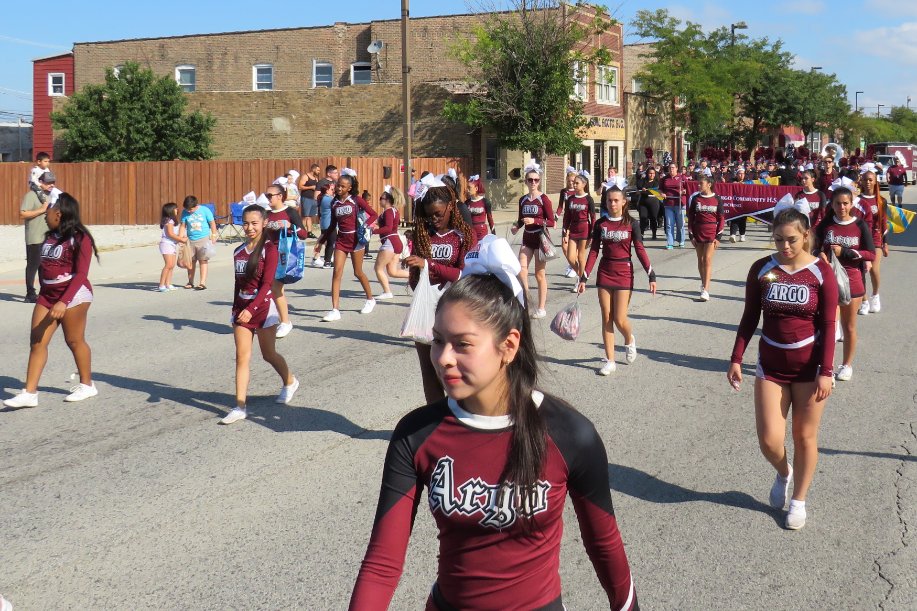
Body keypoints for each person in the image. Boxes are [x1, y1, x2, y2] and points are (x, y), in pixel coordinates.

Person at [350, 237, 638, 610]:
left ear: (509, 345)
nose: (443, 359)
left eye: (463, 344)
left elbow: (604, 545)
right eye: (438, 341)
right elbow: (382, 564)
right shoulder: (416, 435)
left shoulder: (570, 434)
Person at [728, 207, 838, 530]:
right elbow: (750, 317)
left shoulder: (821, 272)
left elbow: (829, 325)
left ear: (806, 236)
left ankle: (799, 500)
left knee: (805, 436)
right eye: (778, 240)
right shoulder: (762, 270)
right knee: (769, 440)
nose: (785, 247)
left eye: (791, 240)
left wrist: (827, 370)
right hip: (771, 367)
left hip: (810, 369)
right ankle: (784, 472)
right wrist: (736, 357)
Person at [4, 193, 100, 408]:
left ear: (59, 213)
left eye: (49, 209)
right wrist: (46, 295)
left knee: (74, 340)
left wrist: (63, 301)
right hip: (48, 295)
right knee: (37, 341)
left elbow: (81, 275)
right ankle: (29, 393)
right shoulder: (50, 235)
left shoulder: (80, 237)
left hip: (74, 295)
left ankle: (87, 384)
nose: (45, 212)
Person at [221, 205, 299, 425]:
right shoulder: (238, 252)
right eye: (245, 223)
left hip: (263, 309)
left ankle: (290, 381)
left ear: (264, 223)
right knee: (241, 358)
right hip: (242, 310)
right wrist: (236, 309)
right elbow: (238, 284)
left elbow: (267, 285)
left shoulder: (269, 249)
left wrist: (251, 309)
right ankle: (240, 406)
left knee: (268, 354)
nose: (249, 227)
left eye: (254, 223)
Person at [403, 174, 477, 404]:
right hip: (428, 311)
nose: (434, 219)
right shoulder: (422, 236)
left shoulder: (464, 236)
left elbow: (465, 275)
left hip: (457, 312)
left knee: (458, 371)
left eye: (438, 213)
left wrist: (429, 266)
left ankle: (463, 420)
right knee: (430, 372)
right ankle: (436, 423)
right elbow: (415, 281)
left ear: (451, 207)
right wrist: (417, 272)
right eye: (429, 215)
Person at [577, 187, 656, 376]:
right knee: (606, 317)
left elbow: (639, 249)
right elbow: (594, 250)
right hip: (605, 272)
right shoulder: (601, 224)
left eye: (616, 200)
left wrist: (651, 274)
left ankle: (629, 339)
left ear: (623, 202)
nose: (612, 204)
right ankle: (610, 360)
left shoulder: (631, 224)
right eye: (609, 200)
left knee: (619, 319)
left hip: (624, 273)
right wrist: (584, 276)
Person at [813, 186, 875, 382]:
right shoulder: (826, 224)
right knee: (829, 325)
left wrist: (845, 252)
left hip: (853, 282)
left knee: (849, 326)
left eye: (845, 203)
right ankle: (826, 367)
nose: (842, 207)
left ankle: (847, 365)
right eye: (838, 203)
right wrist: (820, 254)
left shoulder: (860, 225)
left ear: (852, 204)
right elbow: (813, 245)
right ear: (832, 204)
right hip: (829, 280)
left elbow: (870, 253)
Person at [313, 173, 378, 322]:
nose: (339, 188)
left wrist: (366, 226)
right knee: (337, 272)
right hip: (341, 240)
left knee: (358, 272)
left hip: (356, 240)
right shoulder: (334, 203)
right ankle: (335, 309)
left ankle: (370, 299)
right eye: (338, 185)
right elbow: (332, 225)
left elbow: (373, 215)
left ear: (350, 187)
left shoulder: (356, 200)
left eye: (343, 186)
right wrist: (321, 241)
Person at [510, 161, 554, 318]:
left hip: (540, 240)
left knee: (539, 274)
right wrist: (517, 226)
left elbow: (551, 222)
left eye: (536, 180)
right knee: (521, 271)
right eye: (530, 180)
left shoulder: (544, 199)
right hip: (527, 238)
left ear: (539, 181)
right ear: (526, 181)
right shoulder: (523, 200)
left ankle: (541, 307)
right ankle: (527, 301)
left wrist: (534, 221)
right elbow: (521, 219)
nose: (533, 183)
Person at [264, 184, 308, 338]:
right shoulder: (266, 213)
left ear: (280, 196)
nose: (267, 198)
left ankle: (285, 322)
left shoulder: (290, 212)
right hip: (267, 254)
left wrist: (290, 226)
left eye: (270, 195)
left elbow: (304, 234)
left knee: (276, 288)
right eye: (266, 195)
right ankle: (274, 318)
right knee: (269, 289)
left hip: (283, 254)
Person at [687, 174, 725, 301]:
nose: (698, 186)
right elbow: (691, 217)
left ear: (709, 185)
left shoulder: (717, 199)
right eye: (698, 183)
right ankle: (703, 283)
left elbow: (721, 219)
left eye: (701, 184)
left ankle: (706, 290)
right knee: (701, 259)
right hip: (698, 231)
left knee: (707, 259)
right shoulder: (695, 199)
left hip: (711, 232)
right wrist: (690, 234)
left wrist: (718, 236)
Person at [855, 171, 888, 315]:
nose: (867, 182)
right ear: (861, 181)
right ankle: (864, 301)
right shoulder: (856, 200)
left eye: (870, 180)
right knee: (860, 270)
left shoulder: (881, 200)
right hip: (859, 238)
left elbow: (883, 223)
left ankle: (875, 295)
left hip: (875, 239)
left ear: (875, 182)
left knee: (874, 269)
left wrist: (885, 242)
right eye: (865, 180)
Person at [20, 171, 55, 303]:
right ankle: (30, 294)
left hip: (47, 236)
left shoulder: (48, 196)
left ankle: (43, 292)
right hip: (34, 237)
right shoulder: (31, 195)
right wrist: (41, 210)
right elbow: (22, 214)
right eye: (48, 182)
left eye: (53, 182)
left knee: (44, 266)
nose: (51, 185)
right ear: (40, 182)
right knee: (33, 265)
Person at [561, 171, 595, 292]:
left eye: (577, 183)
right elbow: (567, 217)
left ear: (584, 184)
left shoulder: (588, 199)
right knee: (570, 257)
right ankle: (582, 275)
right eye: (574, 183)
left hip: (584, 229)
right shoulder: (570, 199)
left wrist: (592, 233)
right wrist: (565, 232)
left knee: (581, 256)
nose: (574, 185)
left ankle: (580, 281)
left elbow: (593, 217)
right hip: (573, 229)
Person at [373, 186, 409, 299]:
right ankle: (415, 276)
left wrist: (374, 231)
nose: (380, 200)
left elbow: (388, 228)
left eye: (381, 198)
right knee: (392, 272)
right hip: (395, 242)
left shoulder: (389, 211)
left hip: (390, 242)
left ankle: (387, 292)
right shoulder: (393, 211)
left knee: (378, 268)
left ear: (387, 199)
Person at [179, 195, 216, 290]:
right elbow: (183, 225)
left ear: (196, 205)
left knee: (203, 260)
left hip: (203, 238)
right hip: (190, 239)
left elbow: (212, 223)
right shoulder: (185, 212)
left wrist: (214, 235)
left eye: (190, 209)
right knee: (190, 261)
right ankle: (190, 282)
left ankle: (202, 283)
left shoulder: (205, 210)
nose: (189, 211)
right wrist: (180, 238)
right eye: (187, 209)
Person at [157, 202, 187, 292]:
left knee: (172, 265)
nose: (177, 210)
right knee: (168, 265)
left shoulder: (171, 221)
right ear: (170, 210)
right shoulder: (169, 221)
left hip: (172, 244)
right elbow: (170, 234)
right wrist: (181, 239)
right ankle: (161, 285)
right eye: (175, 208)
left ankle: (168, 284)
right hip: (166, 244)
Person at [660, 162, 686, 249]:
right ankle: (670, 242)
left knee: (680, 223)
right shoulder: (664, 178)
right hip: (668, 204)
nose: (671, 169)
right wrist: (662, 193)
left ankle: (681, 240)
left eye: (673, 168)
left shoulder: (682, 177)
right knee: (669, 224)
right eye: (670, 168)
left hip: (679, 203)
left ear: (677, 168)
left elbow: (687, 188)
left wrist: (682, 192)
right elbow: (660, 189)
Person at [557, 167, 578, 277]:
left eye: (573, 181)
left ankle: (575, 267)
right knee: (564, 247)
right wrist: (555, 219)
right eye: (569, 181)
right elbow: (560, 206)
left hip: (576, 221)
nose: (571, 183)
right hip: (566, 220)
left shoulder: (578, 191)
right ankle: (572, 264)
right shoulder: (564, 191)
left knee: (574, 247)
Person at [465, 174, 495, 241]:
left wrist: (494, 234)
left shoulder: (485, 202)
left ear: (476, 188)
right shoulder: (466, 203)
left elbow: (490, 219)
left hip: (482, 233)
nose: (467, 190)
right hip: (470, 232)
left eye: (469, 187)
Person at [313, 179, 335, 268]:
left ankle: (316, 258)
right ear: (327, 191)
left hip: (325, 223)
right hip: (329, 224)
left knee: (323, 241)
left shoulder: (324, 198)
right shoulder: (327, 199)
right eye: (331, 190)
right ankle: (327, 261)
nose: (333, 192)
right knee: (330, 243)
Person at [636, 167, 661, 240]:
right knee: (643, 218)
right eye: (650, 173)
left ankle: (654, 233)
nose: (651, 175)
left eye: (653, 173)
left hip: (654, 202)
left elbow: (654, 190)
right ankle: (641, 234)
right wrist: (642, 190)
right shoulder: (642, 181)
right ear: (647, 174)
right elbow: (638, 186)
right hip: (643, 202)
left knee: (653, 218)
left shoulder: (657, 182)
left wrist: (644, 190)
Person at [298, 163, 321, 238]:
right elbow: (300, 186)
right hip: (306, 198)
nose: (319, 171)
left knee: (310, 216)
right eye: (318, 170)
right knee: (305, 216)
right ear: (313, 169)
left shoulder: (316, 178)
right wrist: (310, 187)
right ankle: (301, 232)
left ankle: (309, 232)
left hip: (313, 199)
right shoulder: (305, 176)